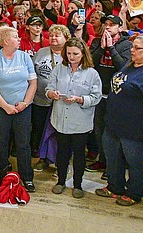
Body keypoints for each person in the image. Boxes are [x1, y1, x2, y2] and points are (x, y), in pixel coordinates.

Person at [96, 35, 143, 206]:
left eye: (137, 48)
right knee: (112, 159)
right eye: (132, 47)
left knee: (137, 163)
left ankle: (134, 192)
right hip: (114, 125)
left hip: (136, 129)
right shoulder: (129, 66)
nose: (132, 50)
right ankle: (115, 186)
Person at [46, 38, 102, 198]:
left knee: (78, 154)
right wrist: (52, 94)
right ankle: (61, 181)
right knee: (62, 152)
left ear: (83, 53)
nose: (71, 57)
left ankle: (78, 184)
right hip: (60, 119)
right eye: (69, 53)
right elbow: (49, 88)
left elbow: (96, 97)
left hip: (80, 121)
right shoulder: (59, 68)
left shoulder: (92, 73)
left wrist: (80, 99)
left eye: (75, 54)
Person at [0, 26, 37, 193]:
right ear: (6, 41)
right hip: (0, 108)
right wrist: (5, 106)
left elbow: (33, 83)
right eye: (16, 37)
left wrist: (25, 103)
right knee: (1, 142)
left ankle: (27, 177)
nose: (19, 39)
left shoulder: (25, 57)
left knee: (23, 143)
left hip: (23, 107)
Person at [87, 14, 131, 175]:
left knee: (113, 132)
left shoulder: (126, 45)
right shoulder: (97, 42)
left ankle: (114, 166)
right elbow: (90, 63)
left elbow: (124, 67)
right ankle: (103, 161)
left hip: (117, 96)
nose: (108, 26)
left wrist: (111, 48)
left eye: (112, 24)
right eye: (106, 23)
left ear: (120, 28)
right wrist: (102, 48)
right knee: (99, 130)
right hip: (99, 93)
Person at [30, 24, 70, 171]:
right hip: (40, 100)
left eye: (57, 35)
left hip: (61, 102)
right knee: (40, 131)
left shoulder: (70, 53)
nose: (53, 37)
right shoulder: (41, 52)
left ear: (66, 38)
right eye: (51, 35)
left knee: (59, 133)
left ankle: (60, 161)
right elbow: (32, 73)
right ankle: (43, 158)